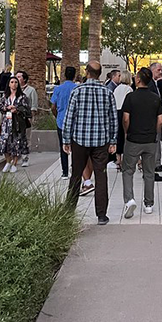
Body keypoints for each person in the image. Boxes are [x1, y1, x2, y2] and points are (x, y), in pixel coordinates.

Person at [62, 61, 118, 225]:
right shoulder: (107, 93)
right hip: (101, 140)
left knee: (76, 175)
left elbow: (69, 117)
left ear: (87, 72)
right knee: (101, 176)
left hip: (79, 139)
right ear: (100, 74)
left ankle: (69, 211)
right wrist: (113, 140)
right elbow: (113, 119)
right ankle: (101, 215)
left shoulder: (77, 91)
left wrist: (66, 139)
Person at [121, 67, 162, 218]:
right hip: (150, 140)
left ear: (138, 80)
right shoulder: (155, 98)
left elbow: (126, 118)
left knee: (128, 171)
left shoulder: (130, 97)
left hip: (133, 139)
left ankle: (129, 200)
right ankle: (148, 204)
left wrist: (127, 132)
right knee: (149, 173)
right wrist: (155, 133)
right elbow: (161, 120)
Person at [0, 76, 32, 173]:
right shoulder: (5, 96)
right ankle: (8, 161)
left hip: (17, 123)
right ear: (9, 84)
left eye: (16, 82)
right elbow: (0, 107)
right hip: (6, 123)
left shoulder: (22, 97)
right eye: (12, 82)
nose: (14, 84)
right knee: (5, 142)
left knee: (17, 143)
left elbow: (27, 110)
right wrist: (6, 108)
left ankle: (15, 163)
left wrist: (17, 109)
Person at [50, 65, 79, 179]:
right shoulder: (77, 88)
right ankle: (75, 168)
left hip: (61, 121)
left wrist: (57, 115)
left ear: (64, 75)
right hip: (75, 122)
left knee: (63, 146)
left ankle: (65, 172)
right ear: (75, 75)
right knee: (76, 147)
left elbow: (53, 106)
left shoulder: (58, 89)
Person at [15, 70, 39, 167]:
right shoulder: (14, 90)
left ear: (24, 79)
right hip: (15, 119)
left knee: (26, 138)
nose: (17, 78)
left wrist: (30, 117)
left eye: (19, 77)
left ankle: (25, 157)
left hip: (26, 118)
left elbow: (34, 105)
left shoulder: (31, 90)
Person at [112, 70, 134, 170]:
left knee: (118, 136)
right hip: (125, 113)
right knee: (126, 135)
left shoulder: (117, 89)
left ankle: (118, 159)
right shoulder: (129, 89)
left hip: (116, 112)